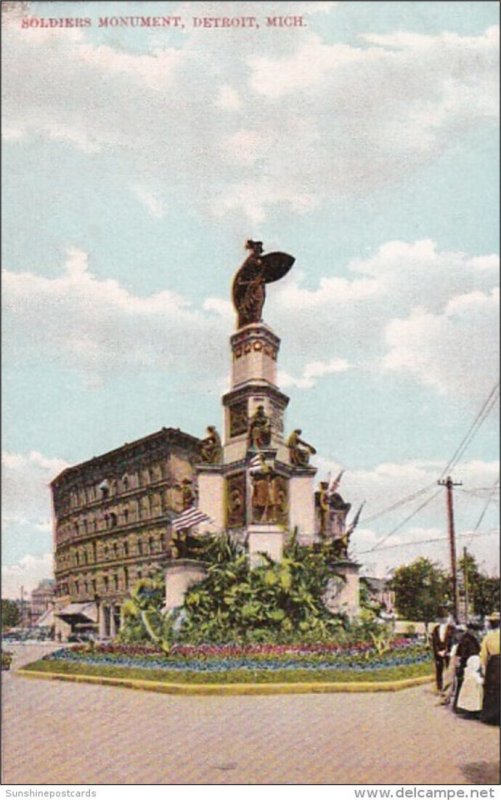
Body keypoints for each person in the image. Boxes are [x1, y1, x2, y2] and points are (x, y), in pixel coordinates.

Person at [453, 622, 481, 711]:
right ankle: (459, 707)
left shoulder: (470, 638)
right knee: (462, 686)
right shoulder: (466, 639)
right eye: (474, 630)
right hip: (466, 665)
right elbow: (462, 653)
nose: (475, 632)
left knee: (465, 686)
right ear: (470, 629)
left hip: (470, 664)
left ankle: (460, 706)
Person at [480, 611, 500, 725]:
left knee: (492, 689)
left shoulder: (488, 637)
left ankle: (491, 716)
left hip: (493, 665)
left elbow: (483, 655)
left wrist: (483, 669)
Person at [431, 617, 455, 691]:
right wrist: (438, 651)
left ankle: (451, 687)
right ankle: (439, 687)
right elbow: (434, 641)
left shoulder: (452, 629)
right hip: (438, 652)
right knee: (439, 670)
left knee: (450, 670)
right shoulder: (436, 629)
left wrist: (447, 651)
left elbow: (452, 640)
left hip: (448, 652)